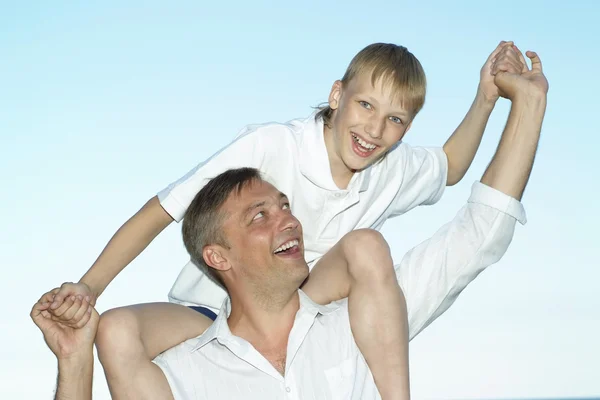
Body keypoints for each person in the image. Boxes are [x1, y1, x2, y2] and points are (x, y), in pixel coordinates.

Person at [32, 48, 549, 398]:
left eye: (395, 119)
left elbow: (455, 174)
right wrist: (88, 287)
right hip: (204, 306)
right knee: (117, 329)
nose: (374, 128)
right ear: (337, 95)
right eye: (365, 105)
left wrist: (489, 100)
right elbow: (160, 212)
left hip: (308, 294)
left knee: (367, 247)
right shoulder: (270, 147)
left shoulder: (389, 169)